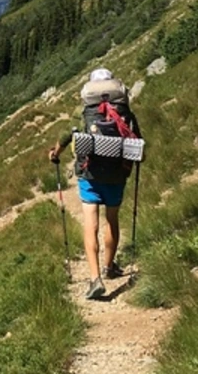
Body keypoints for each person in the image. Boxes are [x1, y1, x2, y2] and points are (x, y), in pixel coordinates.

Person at [48, 67, 141, 299]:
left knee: (91, 224)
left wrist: (55, 153)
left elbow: (66, 135)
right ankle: (110, 267)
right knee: (112, 219)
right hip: (117, 175)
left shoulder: (84, 111)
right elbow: (138, 142)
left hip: (89, 175)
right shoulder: (125, 111)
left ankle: (95, 278)